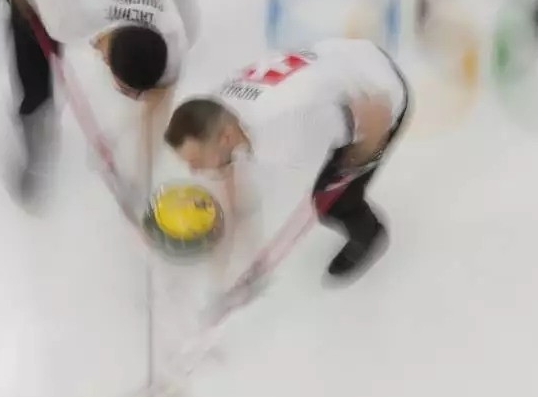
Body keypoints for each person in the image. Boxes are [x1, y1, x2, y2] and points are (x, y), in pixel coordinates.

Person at [0, 0, 198, 207]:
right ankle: (36, 138)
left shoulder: (171, 32)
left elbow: (158, 103)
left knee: (183, 32)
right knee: (32, 41)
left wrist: (138, 180)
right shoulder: (67, 17)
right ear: (106, 61)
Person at [162, 38, 410, 280]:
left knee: (333, 204)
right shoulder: (216, 109)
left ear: (226, 138)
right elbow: (228, 167)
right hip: (345, 54)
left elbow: (377, 115)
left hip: (380, 88)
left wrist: (357, 163)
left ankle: (371, 233)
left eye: (196, 160)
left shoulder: (291, 128)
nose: (193, 171)